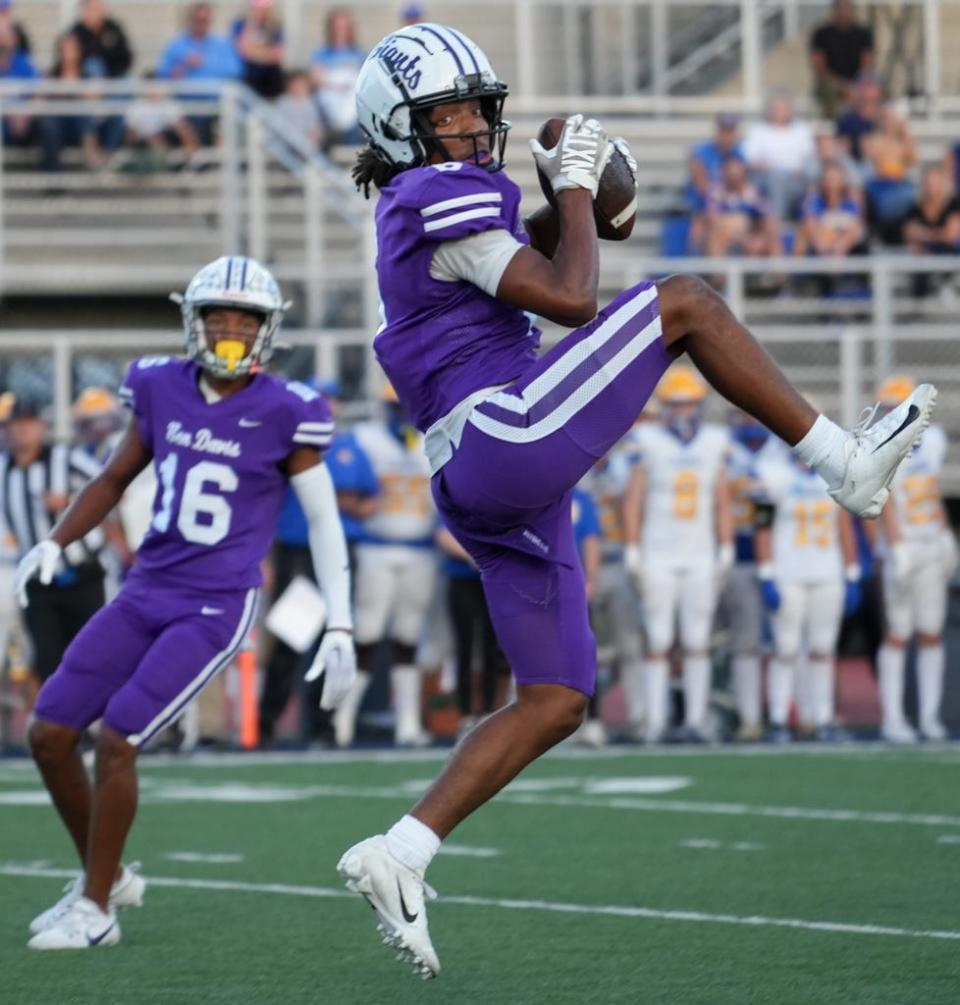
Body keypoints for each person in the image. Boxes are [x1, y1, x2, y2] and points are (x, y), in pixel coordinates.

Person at [337, 23, 936, 979]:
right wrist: (574, 191)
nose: (467, 129)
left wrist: (567, 209)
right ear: (401, 130)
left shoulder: (426, 205)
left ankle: (400, 850)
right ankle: (842, 461)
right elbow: (572, 300)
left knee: (558, 697)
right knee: (687, 299)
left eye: (470, 109)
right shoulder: (430, 190)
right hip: (503, 434)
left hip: (484, 474)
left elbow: (524, 270)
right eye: (444, 115)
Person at [15, 255, 356, 950]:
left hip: (215, 603)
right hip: (146, 588)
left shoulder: (288, 409)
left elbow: (324, 520)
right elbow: (113, 478)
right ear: (192, 320)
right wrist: (58, 539)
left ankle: (95, 907)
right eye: (218, 316)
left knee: (120, 735)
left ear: (268, 328)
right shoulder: (160, 386)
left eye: (246, 318)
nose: (231, 330)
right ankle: (103, 879)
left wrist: (341, 621)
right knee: (48, 733)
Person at [623, 367, 733, 743]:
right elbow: (634, 499)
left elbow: (722, 498)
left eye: (688, 405)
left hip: (700, 552)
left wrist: (726, 546)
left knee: (697, 641)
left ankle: (697, 720)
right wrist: (633, 547)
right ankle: (656, 722)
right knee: (658, 640)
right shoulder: (647, 439)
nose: (683, 412)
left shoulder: (715, 441)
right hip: (658, 553)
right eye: (676, 405)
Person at [332, 384, 437, 748]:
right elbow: (341, 487)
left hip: (421, 549)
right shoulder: (364, 440)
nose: (403, 412)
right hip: (377, 546)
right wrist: (358, 505)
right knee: (367, 635)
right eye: (396, 405)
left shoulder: (434, 436)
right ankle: (342, 721)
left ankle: (407, 723)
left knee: (409, 637)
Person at [0, 397, 108, 697]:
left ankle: (92, 727)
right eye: (15, 424)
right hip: (37, 583)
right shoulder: (2, 469)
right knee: (47, 659)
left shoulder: (65, 458)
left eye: (28, 423)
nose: (22, 431)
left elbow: (111, 486)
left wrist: (72, 502)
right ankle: (62, 733)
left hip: (81, 575)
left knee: (89, 656)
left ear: (40, 427)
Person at [755, 447, 863, 742]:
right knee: (786, 649)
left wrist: (852, 573)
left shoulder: (835, 475)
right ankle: (778, 718)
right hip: (788, 574)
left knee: (822, 650)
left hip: (827, 573)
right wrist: (766, 573)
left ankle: (822, 718)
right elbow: (762, 526)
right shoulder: (772, 474)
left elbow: (845, 528)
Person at [874, 376, 956, 742]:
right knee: (897, 633)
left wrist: (944, 533)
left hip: (929, 543)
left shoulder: (932, 440)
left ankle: (928, 717)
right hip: (901, 549)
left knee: (931, 633)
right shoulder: (876, 444)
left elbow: (931, 491)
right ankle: (892, 719)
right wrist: (896, 545)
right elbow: (884, 496)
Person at [719, 410, 785, 741]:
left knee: (784, 644)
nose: (752, 421)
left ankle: (777, 716)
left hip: (780, 559)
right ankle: (746, 716)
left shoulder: (780, 455)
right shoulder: (723, 449)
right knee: (740, 643)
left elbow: (766, 513)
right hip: (729, 556)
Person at [155, 2, 243, 144]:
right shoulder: (176, 45)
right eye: (198, 20)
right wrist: (183, 66)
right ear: (191, 20)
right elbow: (162, 75)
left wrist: (205, 66)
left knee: (231, 117)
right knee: (191, 119)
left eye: (205, 20)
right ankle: (201, 160)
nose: (202, 24)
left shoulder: (222, 44)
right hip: (186, 104)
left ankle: (207, 158)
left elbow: (235, 71)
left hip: (217, 103)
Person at [743, 91, 816, 220]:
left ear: (790, 110)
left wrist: (799, 171)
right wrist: (769, 169)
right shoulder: (758, 130)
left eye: (783, 108)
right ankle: (778, 221)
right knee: (777, 178)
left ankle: (776, 221)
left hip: (796, 179)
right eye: (776, 108)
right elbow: (748, 160)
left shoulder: (801, 130)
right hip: (765, 178)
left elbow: (809, 158)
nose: (779, 112)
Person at [700, 156, 779, 261]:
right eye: (731, 173)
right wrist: (743, 239)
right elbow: (714, 221)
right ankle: (718, 276)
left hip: (749, 235)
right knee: (718, 236)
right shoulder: (716, 193)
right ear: (724, 173)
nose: (734, 177)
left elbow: (765, 217)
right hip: (725, 236)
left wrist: (757, 238)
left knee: (771, 234)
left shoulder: (752, 193)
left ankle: (780, 274)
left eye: (737, 173)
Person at [809, 0, 874, 119]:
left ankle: (868, 124)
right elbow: (819, 67)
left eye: (847, 7)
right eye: (841, 7)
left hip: (857, 83)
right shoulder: (822, 33)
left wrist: (856, 85)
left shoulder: (863, 33)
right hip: (831, 83)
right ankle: (838, 126)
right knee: (830, 92)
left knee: (875, 88)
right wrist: (843, 86)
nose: (844, 11)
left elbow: (867, 64)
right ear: (835, 9)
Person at [903, 164, 960, 296]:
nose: (931, 186)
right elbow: (909, 233)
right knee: (918, 260)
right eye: (928, 182)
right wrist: (934, 236)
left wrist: (923, 234)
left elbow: (950, 235)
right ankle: (919, 300)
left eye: (935, 181)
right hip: (926, 254)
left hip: (949, 253)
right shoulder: (916, 207)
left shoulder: (954, 204)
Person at [310, 8, 365, 146]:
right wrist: (336, 85)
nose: (341, 31)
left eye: (344, 27)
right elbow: (315, 78)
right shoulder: (322, 53)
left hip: (352, 106)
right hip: (330, 104)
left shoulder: (358, 53)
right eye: (337, 27)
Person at [686, 111, 744, 213]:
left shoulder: (738, 153)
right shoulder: (701, 152)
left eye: (731, 130)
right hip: (704, 202)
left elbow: (741, 185)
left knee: (765, 219)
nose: (727, 135)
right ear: (717, 131)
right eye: (724, 130)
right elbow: (702, 187)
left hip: (728, 201)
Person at [231, 0, 285, 99]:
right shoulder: (240, 24)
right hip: (249, 73)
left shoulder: (275, 26)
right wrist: (252, 23)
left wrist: (254, 51)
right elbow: (244, 51)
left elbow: (277, 55)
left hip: (269, 75)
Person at [69, 0, 132, 80]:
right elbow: (71, 61)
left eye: (99, 8)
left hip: (114, 75)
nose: (97, 13)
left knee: (129, 82)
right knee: (94, 65)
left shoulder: (113, 28)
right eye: (93, 9)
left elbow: (125, 56)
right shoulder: (77, 32)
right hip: (86, 79)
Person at [836, 73, 882, 164]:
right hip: (856, 165)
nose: (867, 92)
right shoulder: (847, 120)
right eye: (864, 87)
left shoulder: (885, 117)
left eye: (870, 87)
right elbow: (841, 145)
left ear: (878, 91)